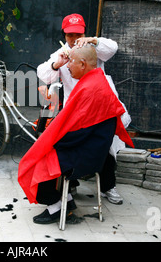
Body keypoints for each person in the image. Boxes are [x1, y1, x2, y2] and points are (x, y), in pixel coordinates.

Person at [18, 45, 134, 224]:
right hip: (94, 151)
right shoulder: (97, 82)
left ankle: (55, 207)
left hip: (88, 155)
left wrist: (53, 141)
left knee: (38, 160)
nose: (68, 66)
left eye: (71, 62)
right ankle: (68, 201)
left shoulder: (91, 89)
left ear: (83, 63)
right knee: (46, 150)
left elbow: (80, 131)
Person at [37, 13, 131, 205]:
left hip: (100, 107)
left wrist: (93, 41)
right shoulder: (62, 54)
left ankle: (108, 186)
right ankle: (69, 183)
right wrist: (57, 65)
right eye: (70, 35)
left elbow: (112, 47)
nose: (74, 39)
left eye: (78, 34)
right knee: (71, 144)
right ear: (64, 35)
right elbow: (44, 75)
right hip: (77, 109)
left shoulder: (93, 50)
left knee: (104, 145)